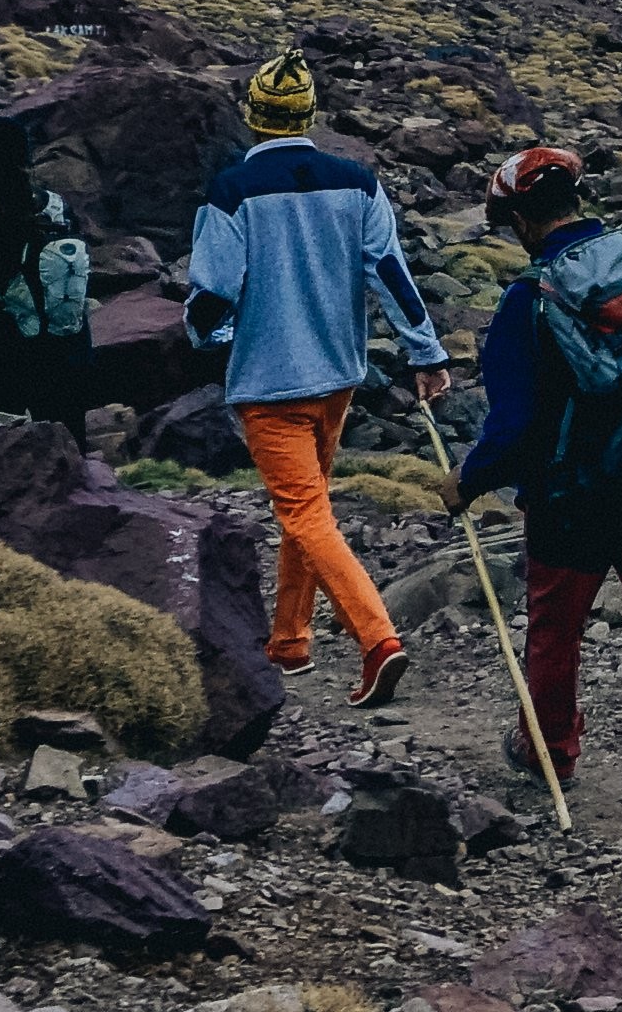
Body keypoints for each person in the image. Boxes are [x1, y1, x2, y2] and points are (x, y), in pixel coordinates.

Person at [449, 146, 622, 821]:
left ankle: (550, 751)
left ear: (521, 220)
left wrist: (469, 480)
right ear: (577, 201)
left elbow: (514, 423)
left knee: (556, 631)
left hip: (569, 497)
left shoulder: (529, 299)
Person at [186, 53, 446, 709]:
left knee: (304, 513)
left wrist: (208, 340)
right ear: (308, 114)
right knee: (310, 509)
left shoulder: (232, 193)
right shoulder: (357, 183)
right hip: (337, 376)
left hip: (271, 382)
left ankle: (377, 639)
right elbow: (390, 272)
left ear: (252, 115)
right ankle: (289, 640)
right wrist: (426, 353)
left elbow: (213, 296)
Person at [0, 110, 92, 430]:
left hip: (5, 363)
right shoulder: (58, 209)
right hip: (68, 355)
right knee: (68, 448)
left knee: (2, 451)